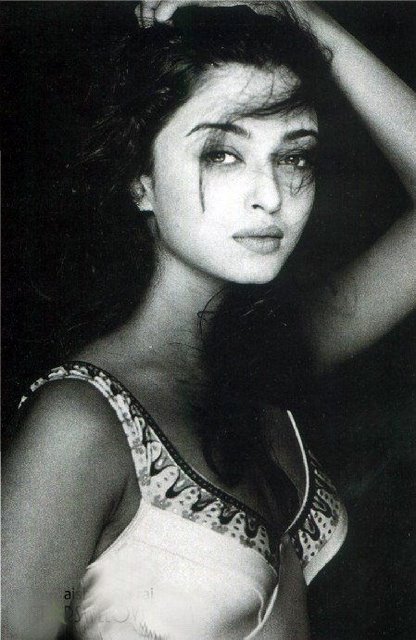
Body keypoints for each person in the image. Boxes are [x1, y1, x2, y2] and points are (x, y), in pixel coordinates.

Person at [3, 2, 415, 639]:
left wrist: (294, 11)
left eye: (295, 157)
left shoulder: (270, 360)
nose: (270, 196)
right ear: (140, 180)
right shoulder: (80, 424)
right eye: (223, 154)